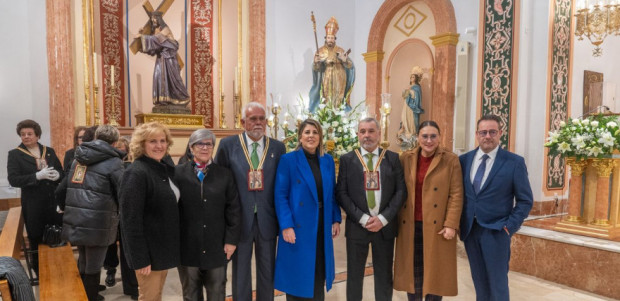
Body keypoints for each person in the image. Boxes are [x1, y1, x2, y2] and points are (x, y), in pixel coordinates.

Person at [215, 102, 286, 301]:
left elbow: (283, 185)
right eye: (253, 119)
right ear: (243, 122)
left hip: (267, 219)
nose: (258, 123)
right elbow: (220, 183)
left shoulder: (278, 147)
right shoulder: (228, 145)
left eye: (261, 118)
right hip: (239, 220)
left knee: (267, 270)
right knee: (240, 270)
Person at [459, 115, 533, 301]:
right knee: (479, 282)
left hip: (497, 231)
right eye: (483, 132)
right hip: (470, 230)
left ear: (500, 133)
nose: (488, 136)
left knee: (498, 285)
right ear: (477, 134)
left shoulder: (513, 162)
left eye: (492, 132)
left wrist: (510, 226)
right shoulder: (464, 161)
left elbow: (525, 200)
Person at [336, 117, 406, 301]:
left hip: (385, 227)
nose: (367, 135)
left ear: (379, 133)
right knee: (354, 276)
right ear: (358, 134)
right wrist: (362, 218)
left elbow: (401, 191)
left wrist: (383, 218)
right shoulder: (347, 160)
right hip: (357, 226)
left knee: (384, 276)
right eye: (363, 131)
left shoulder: (392, 158)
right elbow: (341, 193)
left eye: (371, 131)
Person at [394, 120, 464, 300]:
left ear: (439, 138)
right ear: (418, 137)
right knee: (413, 275)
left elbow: (456, 194)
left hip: (437, 226)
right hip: (410, 224)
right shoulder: (405, 158)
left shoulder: (450, 160)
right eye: (424, 136)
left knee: (435, 275)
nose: (429, 140)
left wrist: (451, 224)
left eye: (433, 136)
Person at [274, 119, 342, 300]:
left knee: (318, 269)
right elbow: (280, 196)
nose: (311, 136)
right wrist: (286, 225)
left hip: (321, 223)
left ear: (320, 136)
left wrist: (335, 218)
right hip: (298, 226)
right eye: (307, 132)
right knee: (298, 274)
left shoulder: (327, 160)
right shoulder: (288, 160)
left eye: (315, 132)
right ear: (300, 136)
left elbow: (332, 193)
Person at [59, 125, 124, 301]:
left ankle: (83, 294)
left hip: (77, 216)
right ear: (115, 142)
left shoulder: (78, 158)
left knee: (84, 259)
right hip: (99, 220)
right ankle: (90, 296)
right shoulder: (114, 162)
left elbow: (73, 185)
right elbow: (122, 192)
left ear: (95, 137)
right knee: (94, 265)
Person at [175, 129, 241, 301]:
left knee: (217, 293)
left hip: (217, 247)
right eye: (200, 144)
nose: (204, 148)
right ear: (191, 147)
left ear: (213, 147)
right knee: (190, 294)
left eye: (208, 144)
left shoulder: (224, 174)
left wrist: (231, 240)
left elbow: (233, 209)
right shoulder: (178, 173)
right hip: (188, 247)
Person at [120, 121, 180, 301]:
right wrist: (140, 258)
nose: (159, 145)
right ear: (141, 144)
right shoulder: (137, 172)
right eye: (153, 141)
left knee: (156, 295)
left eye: (162, 141)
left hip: (162, 248)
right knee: (149, 297)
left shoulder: (161, 168)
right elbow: (130, 220)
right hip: (148, 253)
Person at [7, 119, 63, 276]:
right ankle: (40, 272)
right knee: (36, 237)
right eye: (23, 134)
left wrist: (58, 175)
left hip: (52, 201)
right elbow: (14, 179)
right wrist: (36, 176)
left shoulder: (49, 151)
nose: (26, 137)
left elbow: (62, 172)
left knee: (56, 235)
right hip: (33, 204)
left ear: (37, 135)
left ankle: (57, 269)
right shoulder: (15, 154)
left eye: (29, 134)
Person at [136, 11, 190, 110]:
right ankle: (163, 100)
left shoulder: (165, 29)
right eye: (152, 18)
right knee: (159, 77)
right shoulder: (155, 32)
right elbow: (153, 47)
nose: (153, 20)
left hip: (170, 59)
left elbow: (157, 39)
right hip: (161, 60)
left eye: (155, 18)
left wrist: (142, 36)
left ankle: (183, 98)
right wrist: (141, 36)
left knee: (174, 80)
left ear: (159, 19)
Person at [309, 16, 355, 113]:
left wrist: (344, 60)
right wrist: (316, 63)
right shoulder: (320, 51)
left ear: (335, 39)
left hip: (339, 78)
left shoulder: (340, 50)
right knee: (327, 98)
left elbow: (350, 66)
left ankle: (337, 116)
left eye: (332, 38)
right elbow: (317, 69)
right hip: (327, 77)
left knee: (338, 99)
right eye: (329, 38)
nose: (330, 40)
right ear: (326, 38)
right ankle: (327, 116)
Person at [398, 66, 424, 147]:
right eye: (411, 77)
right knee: (404, 119)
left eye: (413, 77)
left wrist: (410, 92)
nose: (412, 78)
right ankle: (406, 132)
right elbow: (404, 96)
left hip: (413, 107)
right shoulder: (410, 87)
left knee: (412, 121)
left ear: (416, 78)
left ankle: (412, 133)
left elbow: (417, 97)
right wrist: (406, 92)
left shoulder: (417, 87)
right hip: (406, 106)